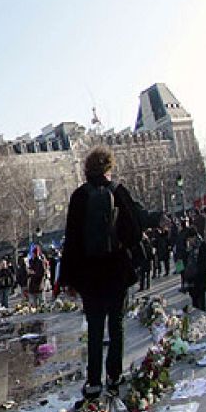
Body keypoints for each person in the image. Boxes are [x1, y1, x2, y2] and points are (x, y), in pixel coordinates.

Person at [59, 147, 147, 399]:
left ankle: (93, 380)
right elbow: (134, 233)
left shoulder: (79, 196)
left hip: (89, 275)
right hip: (116, 270)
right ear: (108, 168)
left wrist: (68, 278)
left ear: (87, 170)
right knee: (116, 324)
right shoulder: (118, 191)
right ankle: (114, 375)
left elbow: (72, 240)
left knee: (95, 328)